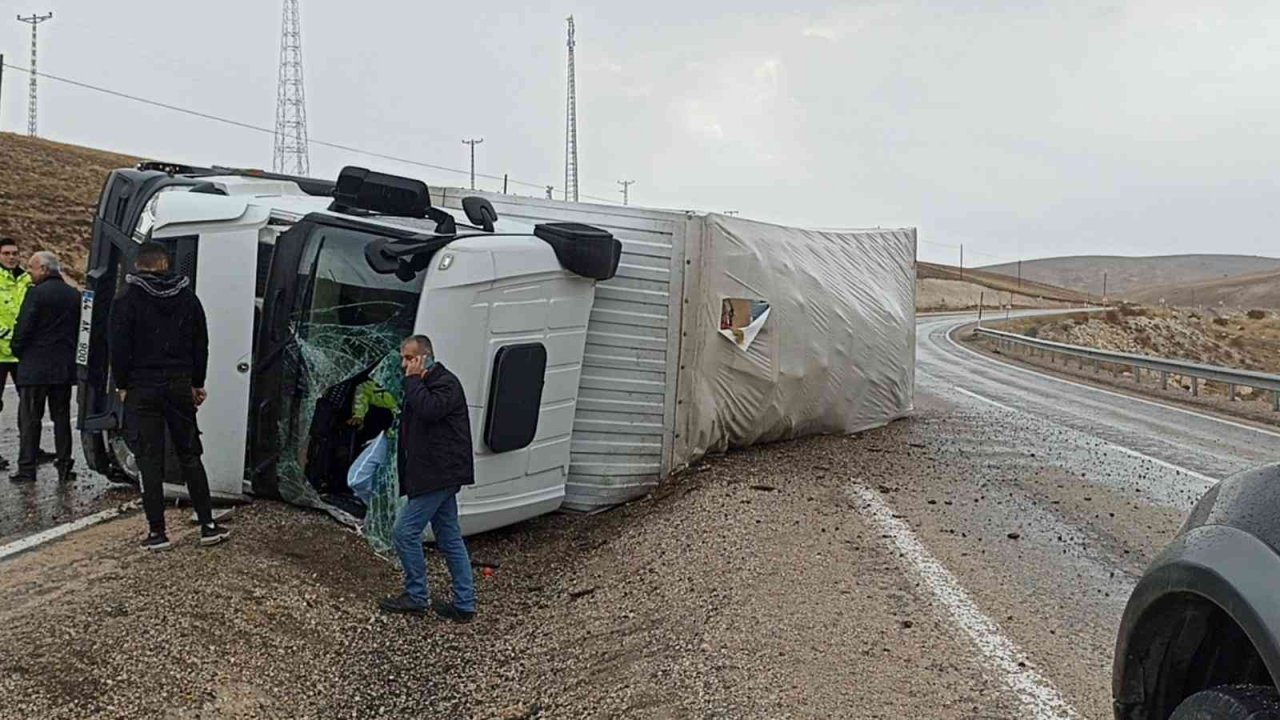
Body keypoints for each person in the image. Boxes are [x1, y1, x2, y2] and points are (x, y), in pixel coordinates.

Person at [109, 241, 230, 551]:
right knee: (190, 454)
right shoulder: (187, 297)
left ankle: (157, 533)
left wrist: (122, 384)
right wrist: (196, 382)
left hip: (142, 386)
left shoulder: (126, 298)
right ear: (165, 263)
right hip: (178, 385)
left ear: (139, 264)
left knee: (149, 459)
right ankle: (208, 525)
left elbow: (118, 346)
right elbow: (201, 343)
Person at [378, 334, 477, 622]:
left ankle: (417, 595)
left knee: (404, 532)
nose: (404, 365)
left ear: (425, 357)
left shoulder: (445, 384)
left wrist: (413, 380)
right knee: (449, 537)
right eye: (403, 359)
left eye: (410, 358)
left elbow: (429, 410)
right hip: (436, 472)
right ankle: (464, 604)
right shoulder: (424, 384)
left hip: (439, 474)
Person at [10, 251, 79, 483]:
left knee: (31, 419)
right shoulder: (73, 295)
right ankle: (65, 465)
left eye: (32, 267)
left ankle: (27, 468)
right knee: (61, 418)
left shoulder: (36, 294)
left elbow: (24, 327)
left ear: (44, 269)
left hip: (35, 367)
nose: (29, 272)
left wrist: (18, 349)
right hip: (63, 367)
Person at [0, 238, 33, 471]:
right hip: (0, 353)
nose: (11, 257)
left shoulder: (26, 279)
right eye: (6, 253)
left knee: (29, 404)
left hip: (22, 353)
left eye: (15, 253)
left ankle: (30, 449)